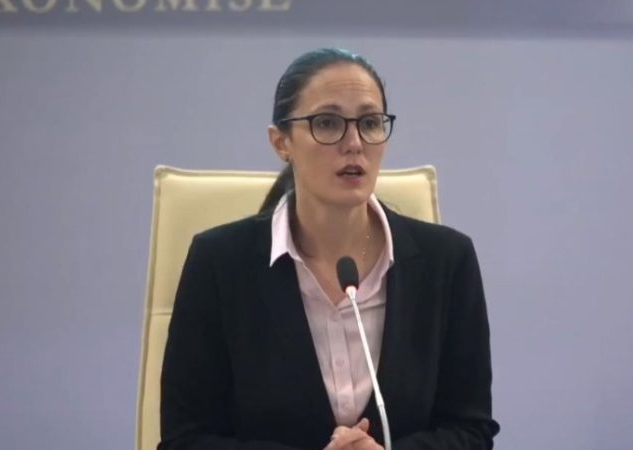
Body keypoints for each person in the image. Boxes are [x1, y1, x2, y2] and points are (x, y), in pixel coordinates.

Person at [158, 48, 499, 450]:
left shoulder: (447, 261)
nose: (354, 143)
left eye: (369, 123)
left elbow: (471, 431)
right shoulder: (219, 264)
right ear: (281, 142)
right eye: (327, 123)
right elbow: (185, 439)